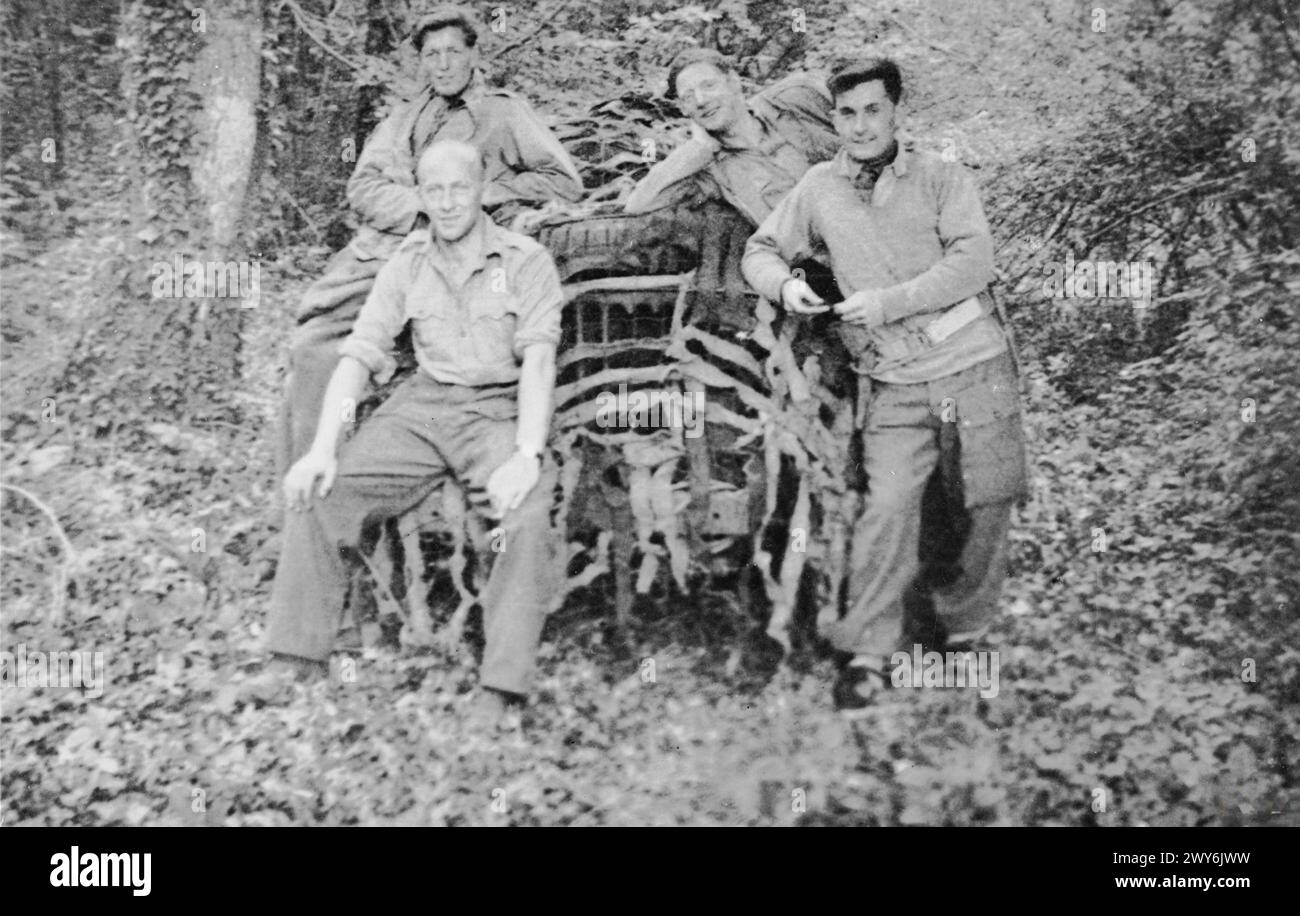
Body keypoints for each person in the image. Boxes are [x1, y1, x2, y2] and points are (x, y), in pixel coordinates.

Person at [741, 58, 1029, 712]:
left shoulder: (941, 177)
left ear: (896, 110)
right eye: (847, 112)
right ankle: (868, 651)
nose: (861, 124)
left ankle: (967, 634)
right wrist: (786, 287)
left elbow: (974, 260)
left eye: (873, 109)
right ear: (833, 117)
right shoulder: (818, 188)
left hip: (972, 361)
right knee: (886, 508)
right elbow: (759, 249)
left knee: (986, 500)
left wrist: (890, 301)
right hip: (892, 380)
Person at [264, 139, 564, 722]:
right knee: (322, 492)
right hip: (424, 406)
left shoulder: (525, 260)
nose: (448, 203)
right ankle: (296, 657)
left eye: (459, 188)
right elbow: (359, 353)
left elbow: (539, 362)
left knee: (525, 515)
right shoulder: (406, 262)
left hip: (497, 409)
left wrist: (527, 453)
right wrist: (322, 449)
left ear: (481, 190)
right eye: (435, 190)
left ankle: (502, 688)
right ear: (420, 196)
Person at [279, 4, 582, 476]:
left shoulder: (501, 112)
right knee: (315, 346)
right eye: (431, 54)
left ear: (473, 55)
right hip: (387, 256)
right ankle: (310, 481)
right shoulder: (403, 119)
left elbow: (562, 181)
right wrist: (422, 206)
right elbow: (363, 188)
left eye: (452, 52)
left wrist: (485, 195)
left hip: (466, 259)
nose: (442, 64)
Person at [623, 48, 839, 228]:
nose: (700, 100)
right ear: (684, 109)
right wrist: (700, 146)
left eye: (709, 85)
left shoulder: (795, 98)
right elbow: (636, 206)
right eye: (688, 97)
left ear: (733, 82)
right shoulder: (710, 171)